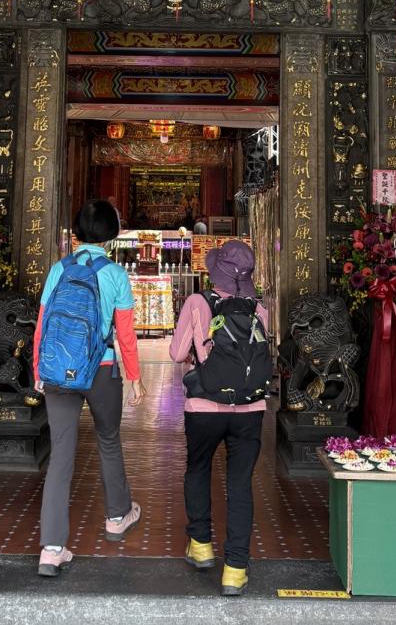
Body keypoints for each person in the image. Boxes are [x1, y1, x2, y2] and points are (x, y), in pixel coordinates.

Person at [33, 199, 147, 577]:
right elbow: (125, 334)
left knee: (61, 454)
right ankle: (117, 516)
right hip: (101, 369)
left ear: (79, 231)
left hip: (58, 370)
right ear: (112, 233)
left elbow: (43, 324)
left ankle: (51, 549)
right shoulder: (115, 274)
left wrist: (38, 369)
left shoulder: (59, 268)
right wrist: (135, 377)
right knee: (108, 440)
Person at [170, 240, 270, 597]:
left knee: (198, 469)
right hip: (250, 409)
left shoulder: (198, 302)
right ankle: (235, 569)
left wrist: (197, 352)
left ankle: (200, 544)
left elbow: (177, 353)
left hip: (204, 407)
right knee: (240, 484)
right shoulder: (260, 308)